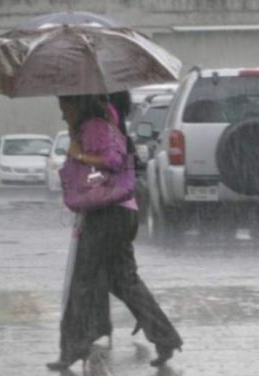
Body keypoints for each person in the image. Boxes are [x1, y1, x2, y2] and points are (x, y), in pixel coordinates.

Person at [47, 93, 183, 371]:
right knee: (123, 280)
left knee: (82, 281)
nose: (62, 114)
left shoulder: (95, 126)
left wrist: (78, 154)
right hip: (119, 212)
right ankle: (165, 337)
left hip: (107, 214)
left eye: (64, 107)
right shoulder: (100, 122)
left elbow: (112, 160)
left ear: (78, 104)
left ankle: (73, 348)